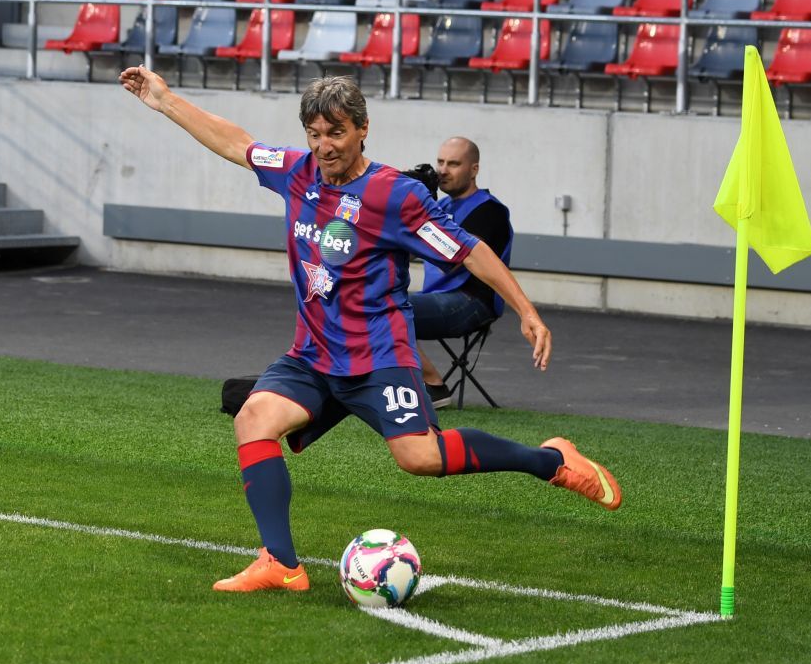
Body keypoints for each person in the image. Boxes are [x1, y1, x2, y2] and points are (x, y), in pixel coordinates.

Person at [119, 67, 622, 594]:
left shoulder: (395, 196)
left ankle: (551, 461)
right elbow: (236, 143)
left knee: (420, 457)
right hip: (312, 355)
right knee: (253, 419)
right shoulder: (296, 171)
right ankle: (281, 563)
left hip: (378, 356)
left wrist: (526, 310)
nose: (324, 146)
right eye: (314, 135)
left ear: (362, 129)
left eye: (335, 133)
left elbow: (468, 249)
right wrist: (165, 100)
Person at [409, 137, 512, 409]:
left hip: (472, 301)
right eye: (440, 162)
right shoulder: (439, 208)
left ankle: (433, 385)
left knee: (381, 308)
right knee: (367, 305)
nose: (442, 170)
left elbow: (452, 258)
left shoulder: (490, 211)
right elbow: (407, 250)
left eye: (453, 164)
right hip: (438, 298)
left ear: (474, 170)